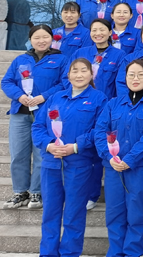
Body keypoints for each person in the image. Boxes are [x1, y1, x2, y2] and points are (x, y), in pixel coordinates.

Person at [32, 58, 107, 257]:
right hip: (51, 163)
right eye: (75, 71)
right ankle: (47, 253)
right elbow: (38, 126)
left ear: (91, 74)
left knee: (74, 214)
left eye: (84, 70)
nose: (79, 75)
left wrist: (75, 147)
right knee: (50, 213)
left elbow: (99, 130)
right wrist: (48, 145)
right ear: (68, 75)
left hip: (79, 164)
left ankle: (69, 254)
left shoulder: (99, 99)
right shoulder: (55, 98)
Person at [93, 58, 143, 257]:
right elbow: (100, 131)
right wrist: (109, 157)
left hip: (140, 167)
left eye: (141, 74)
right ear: (125, 78)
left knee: (137, 213)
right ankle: (115, 252)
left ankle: (133, 252)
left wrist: (130, 159)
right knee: (114, 213)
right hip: (114, 167)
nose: (135, 78)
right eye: (131, 74)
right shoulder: (113, 103)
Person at [2, 24, 66, 209]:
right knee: (18, 154)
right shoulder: (20, 59)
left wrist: (44, 96)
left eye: (45, 37)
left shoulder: (61, 59)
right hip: (20, 113)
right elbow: (7, 81)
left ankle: (36, 192)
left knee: (41, 154)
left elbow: (64, 84)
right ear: (30, 40)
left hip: (45, 114)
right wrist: (19, 96)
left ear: (52, 39)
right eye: (36, 37)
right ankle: (20, 192)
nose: (41, 41)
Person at [68, 19, 127, 101]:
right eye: (94, 30)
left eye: (102, 30)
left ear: (110, 32)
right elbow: (67, 77)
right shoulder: (80, 53)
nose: (98, 33)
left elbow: (121, 82)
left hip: (105, 102)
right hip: (78, 101)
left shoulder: (119, 55)